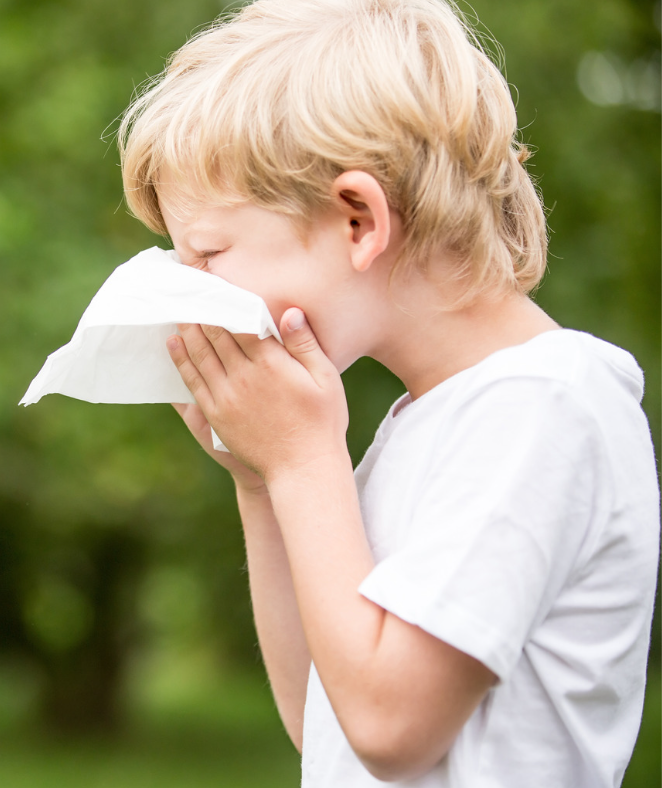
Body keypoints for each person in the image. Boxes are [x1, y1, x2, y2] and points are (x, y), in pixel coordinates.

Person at [117, 1, 660, 785]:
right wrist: (261, 480)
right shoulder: (427, 419)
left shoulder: (544, 405)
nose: (191, 289)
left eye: (208, 252)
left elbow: (389, 724)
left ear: (359, 221)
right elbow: (321, 719)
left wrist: (304, 462)